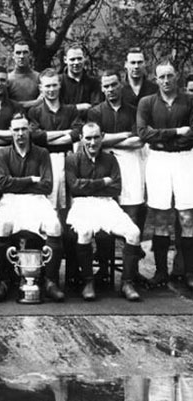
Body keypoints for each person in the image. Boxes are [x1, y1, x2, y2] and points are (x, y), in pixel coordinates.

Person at [65, 122, 142, 301]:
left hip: (107, 204)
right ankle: (88, 282)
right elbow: (74, 187)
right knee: (84, 232)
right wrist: (103, 182)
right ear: (81, 138)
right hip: (82, 204)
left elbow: (116, 188)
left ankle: (127, 283)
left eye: (96, 137)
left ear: (102, 137)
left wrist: (88, 185)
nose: (92, 142)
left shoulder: (110, 159)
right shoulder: (72, 160)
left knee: (134, 233)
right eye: (88, 138)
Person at [0, 114, 65, 302]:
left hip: (37, 199)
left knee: (54, 225)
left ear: (30, 130)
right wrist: (31, 179)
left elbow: (47, 186)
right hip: (11, 200)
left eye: (24, 129)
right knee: (3, 224)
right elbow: (3, 185)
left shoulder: (42, 153)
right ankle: (3, 281)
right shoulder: (2, 153)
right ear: (10, 131)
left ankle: (50, 281)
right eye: (16, 129)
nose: (20, 133)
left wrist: (16, 183)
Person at [137, 61, 193, 289]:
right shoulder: (147, 102)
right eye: (162, 77)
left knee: (187, 216)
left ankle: (189, 272)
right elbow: (143, 133)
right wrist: (175, 132)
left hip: (185, 159)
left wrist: (163, 139)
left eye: (170, 75)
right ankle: (161, 272)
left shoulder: (189, 100)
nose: (166, 80)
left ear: (176, 76)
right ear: (156, 78)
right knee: (160, 217)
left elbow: (192, 135)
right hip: (158, 160)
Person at [87, 70, 147, 281]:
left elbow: (138, 140)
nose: (110, 89)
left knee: (131, 213)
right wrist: (123, 136)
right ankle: (104, 268)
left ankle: (132, 272)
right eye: (106, 86)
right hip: (104, 163)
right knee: (105, 212)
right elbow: (95, 140)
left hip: (131, 164)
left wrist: (108, 140)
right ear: (102, 88)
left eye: (113, 85)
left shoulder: (133, 110)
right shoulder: (95, 112)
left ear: (120, 84)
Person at [28, 68, 82, 210]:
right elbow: (36, 136)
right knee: (47, 201)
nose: (51, 89)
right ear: (41, 88)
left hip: (67, 159)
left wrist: (47, 138)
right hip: (44, 161)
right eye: (47, 86)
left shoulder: (71, 110)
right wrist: (64, 133)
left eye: (54, 85)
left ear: (59, 85)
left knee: (69, 200)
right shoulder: (35, 111)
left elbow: (76, 133)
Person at [59, 44, 103, 114]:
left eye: (79, 58)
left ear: (84, 58)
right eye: (72, 59)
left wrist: (68, 109)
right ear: (65, 60)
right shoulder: (58, 82)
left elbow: (96, 109)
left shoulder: (94, 83)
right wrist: (78, 107)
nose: (76, 62)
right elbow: (55, 109)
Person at [7, 40, 40, 108]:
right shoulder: (7, 79)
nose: (21, 56)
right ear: (13, 55)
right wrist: (35, 103)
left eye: (25, 52)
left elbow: (44, 100)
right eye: (18, 53)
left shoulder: (39, 78)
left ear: (30, 54)